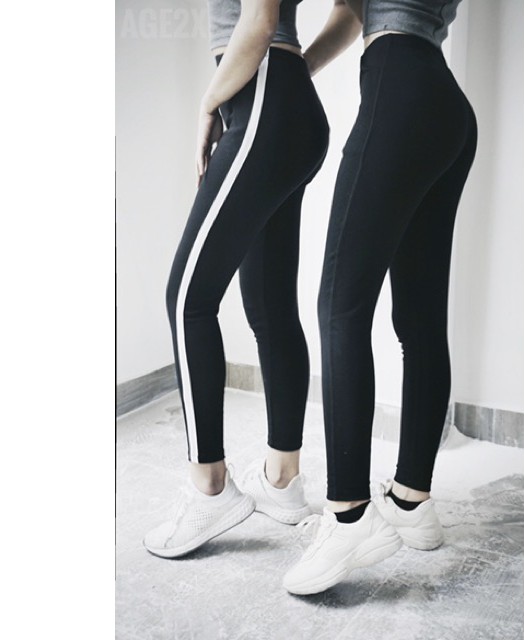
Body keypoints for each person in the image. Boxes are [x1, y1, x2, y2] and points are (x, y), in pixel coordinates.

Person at [143, 0, 361, 558]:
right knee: (270, 307)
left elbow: (260, 20)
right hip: (286, 102)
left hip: (260, 97)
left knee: (188, 299)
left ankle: (209, 488)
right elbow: (353, 10)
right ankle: (282, 482)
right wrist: (295, 70)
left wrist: (209, 101)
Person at [284, 0, 477, 594]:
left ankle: (347, 517)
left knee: (340, 307)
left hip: (396, 84)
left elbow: (348, 9)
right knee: (420, 322)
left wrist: (290, 69)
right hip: (445, 101)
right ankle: (412, 502)